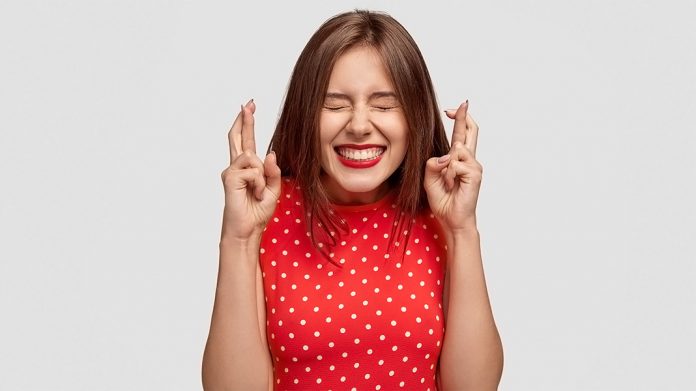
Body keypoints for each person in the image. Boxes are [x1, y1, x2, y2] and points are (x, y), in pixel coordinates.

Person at [202, 9, 503, 391]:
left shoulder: (438, 217)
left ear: (415, 117)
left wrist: (463, 230)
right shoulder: (266, 217)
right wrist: (239, 239)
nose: (359, 126)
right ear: (305, 114)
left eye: (383, 104)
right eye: (335, 104)